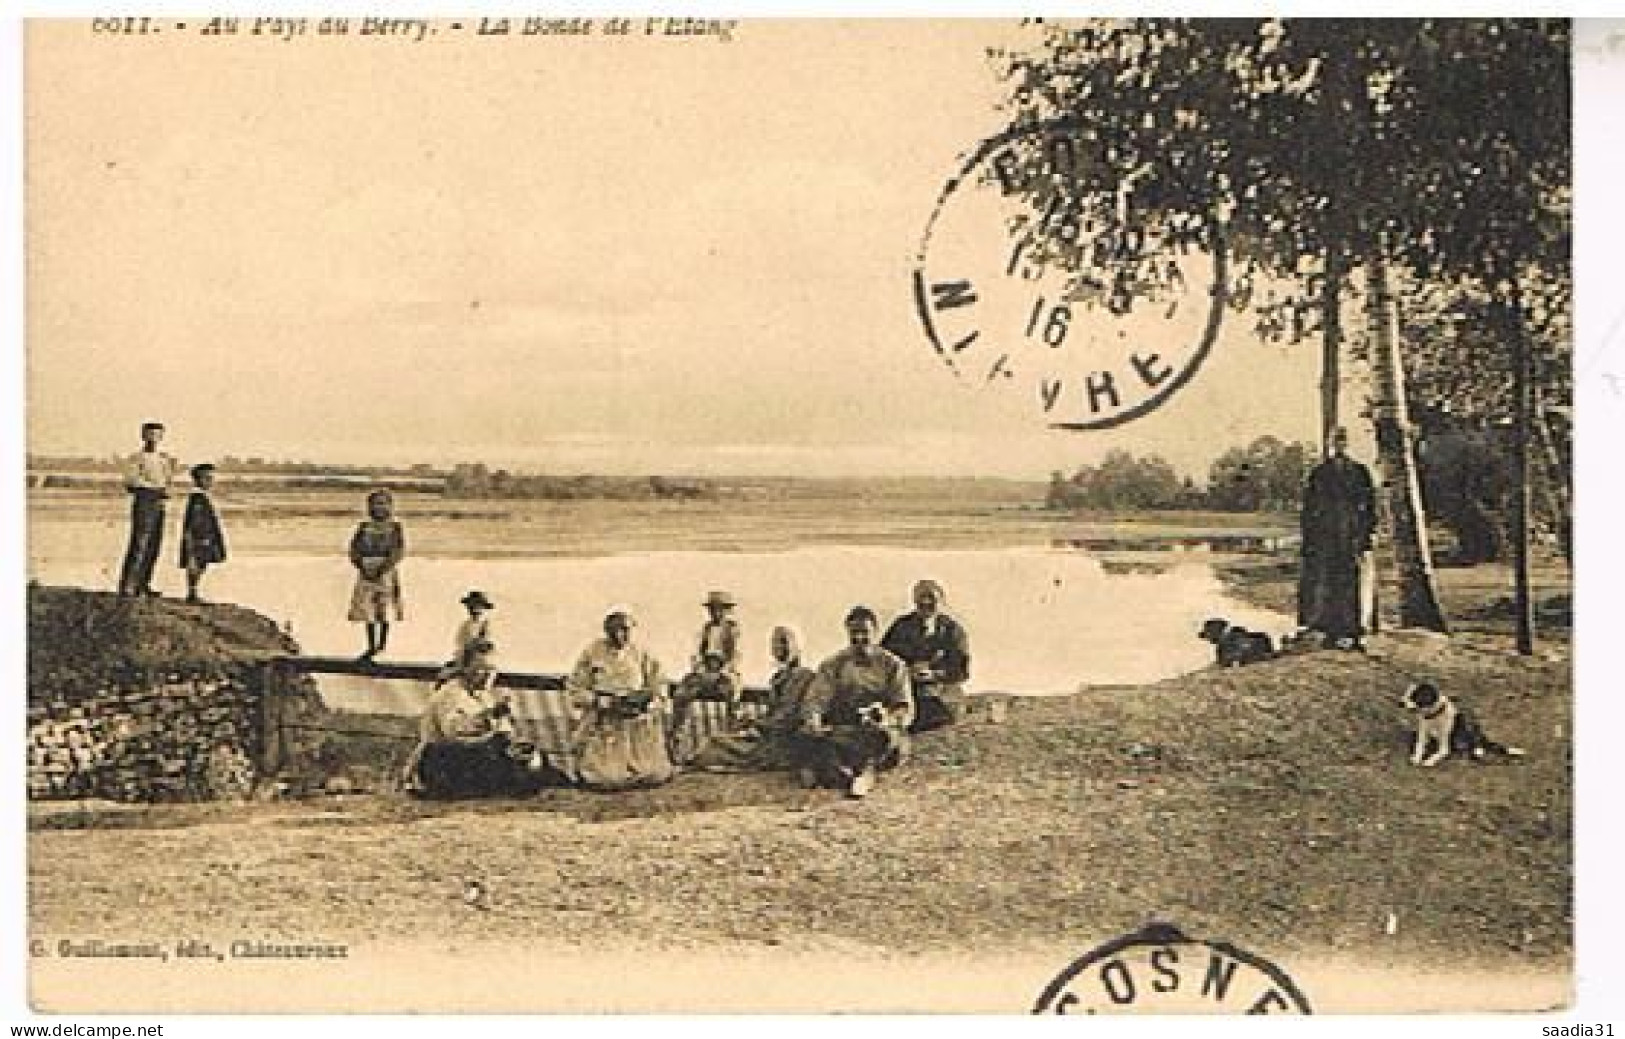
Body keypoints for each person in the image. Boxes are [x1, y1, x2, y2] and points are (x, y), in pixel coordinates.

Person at [405, 649, 552, 798]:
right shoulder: (450, 694)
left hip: (472, 755)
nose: (488, 675)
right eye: (481, 669)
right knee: (500, 760)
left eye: (491, 669)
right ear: (465, 668)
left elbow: (503, 730)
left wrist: (509, 737)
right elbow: (453, 733)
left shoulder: (483, 695)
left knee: (529, 755)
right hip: (443, 758)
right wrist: (489, 720)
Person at [802, 606, 914, 799]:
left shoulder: (893, 665)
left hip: (876, 730)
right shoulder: (833, 664)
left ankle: (861, 772)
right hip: (843, 730)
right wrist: (814, 719)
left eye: (865, 632)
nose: (859, 638)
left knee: (889, 740)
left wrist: (886, 717)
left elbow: (904, 706)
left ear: (876, 632)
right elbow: (816, 698)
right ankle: (845, 774)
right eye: (854, 633)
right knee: (810, 738)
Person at [565, 610, 675, 791]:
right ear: (606, 631)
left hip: (636, 720)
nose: (620, 635)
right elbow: (575, 687)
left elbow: (659, 684)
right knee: (605, 777)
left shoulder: (641, 653)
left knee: (654, 773)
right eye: (614, 631)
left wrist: (647, 701)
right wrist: (601, 702)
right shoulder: (592, 652)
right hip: (605, 718)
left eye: (625, 630)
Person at [686, 624, 819, 772]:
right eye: (774, 643)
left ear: (793, 646)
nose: (776, 648)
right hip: (769, 737)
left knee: (715, 744)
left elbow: (786, 718)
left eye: (782, 642)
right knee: (716, 741)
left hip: (784, 743)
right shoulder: (778, 677)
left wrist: (755, 722)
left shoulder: (802, 676)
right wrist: (754, 723)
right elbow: (774, 715)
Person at [1298, 426, 1378, 649]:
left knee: (1351, 579)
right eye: (1336, 440)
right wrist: (1309, 537)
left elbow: (1370, 505)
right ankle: (1328, 627)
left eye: (1343, 440)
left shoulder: (1360, 471)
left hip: (1351, 532)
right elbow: (1309, 507)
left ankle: (1353, 628)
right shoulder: (1320, 472)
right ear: (1330, 443)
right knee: (1327, 579)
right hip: (1326, 533)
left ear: (1348, 443)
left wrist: (1368, 532)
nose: (1340, 444)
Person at [881, 579, 971, 733]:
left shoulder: (953, 630)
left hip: (940, 693)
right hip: (907, 691)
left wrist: (934, 674)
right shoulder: (900, 627)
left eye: (931, 598)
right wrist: (906, 672)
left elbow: (962, 670)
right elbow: (882, 659)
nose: (926, 602)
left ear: (941, 601)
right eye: (921, 598)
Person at [117, 421, 179, 598]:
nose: (153, 439)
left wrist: (165, 490)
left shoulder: (164, 459)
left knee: (155, 544)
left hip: (159, 503)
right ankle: (129, 585)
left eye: (157, 435)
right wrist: (152, 488)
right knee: (140, 542)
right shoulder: (136, 458)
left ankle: (144, 584)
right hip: (144, 502)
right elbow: (130, 483)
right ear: (143, 436)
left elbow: (168, 481)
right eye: (150, 435)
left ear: (161, 437)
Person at [348, 489, 406, 662]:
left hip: (385, 571)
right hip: (366, 570)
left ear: (390, 507)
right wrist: (360, 564)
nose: (379, 507)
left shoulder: (395, 527)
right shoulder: (363, 527)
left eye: (383, 503)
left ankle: (382, 646)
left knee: (384, 608)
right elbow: (354, 549)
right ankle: (371, 646)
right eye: (375, 504)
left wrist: (384, 567)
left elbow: (399, 550)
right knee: (368, 610)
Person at [673, 590, 743, 723]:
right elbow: (698, 652)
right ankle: (677, 727)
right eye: (713, 610)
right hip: (706, 668)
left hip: (724, 669)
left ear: (726, 611)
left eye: (720, 609)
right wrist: (701, 669)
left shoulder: (732, 629)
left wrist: (723, 670)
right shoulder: (706, 629)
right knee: (683, 689)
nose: (716, 613)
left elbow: (735, 654)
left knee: (732, 689)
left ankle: (733, 723)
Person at [178, 463, 227, 604]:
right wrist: (201, 538)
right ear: (199, 480)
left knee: (200, 563)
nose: (211, 482)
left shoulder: (200, 497)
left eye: (211, 478)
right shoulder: (197, 498)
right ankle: (192, 593)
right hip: (200, 538)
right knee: (196, 563)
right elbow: (196, 521)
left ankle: (193, 592)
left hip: (204, 537)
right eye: (208, 478)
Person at [441, 590, 496, 676]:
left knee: (487, 672)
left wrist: (479, 646)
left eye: (477, 605)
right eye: (471, 605)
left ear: (483, 608)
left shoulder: (487, 625)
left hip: (481, 662)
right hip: (464, 660)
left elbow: (490, 647)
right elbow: (460, 643)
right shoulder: (465, 625)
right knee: (445, 673)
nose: (473, 608)